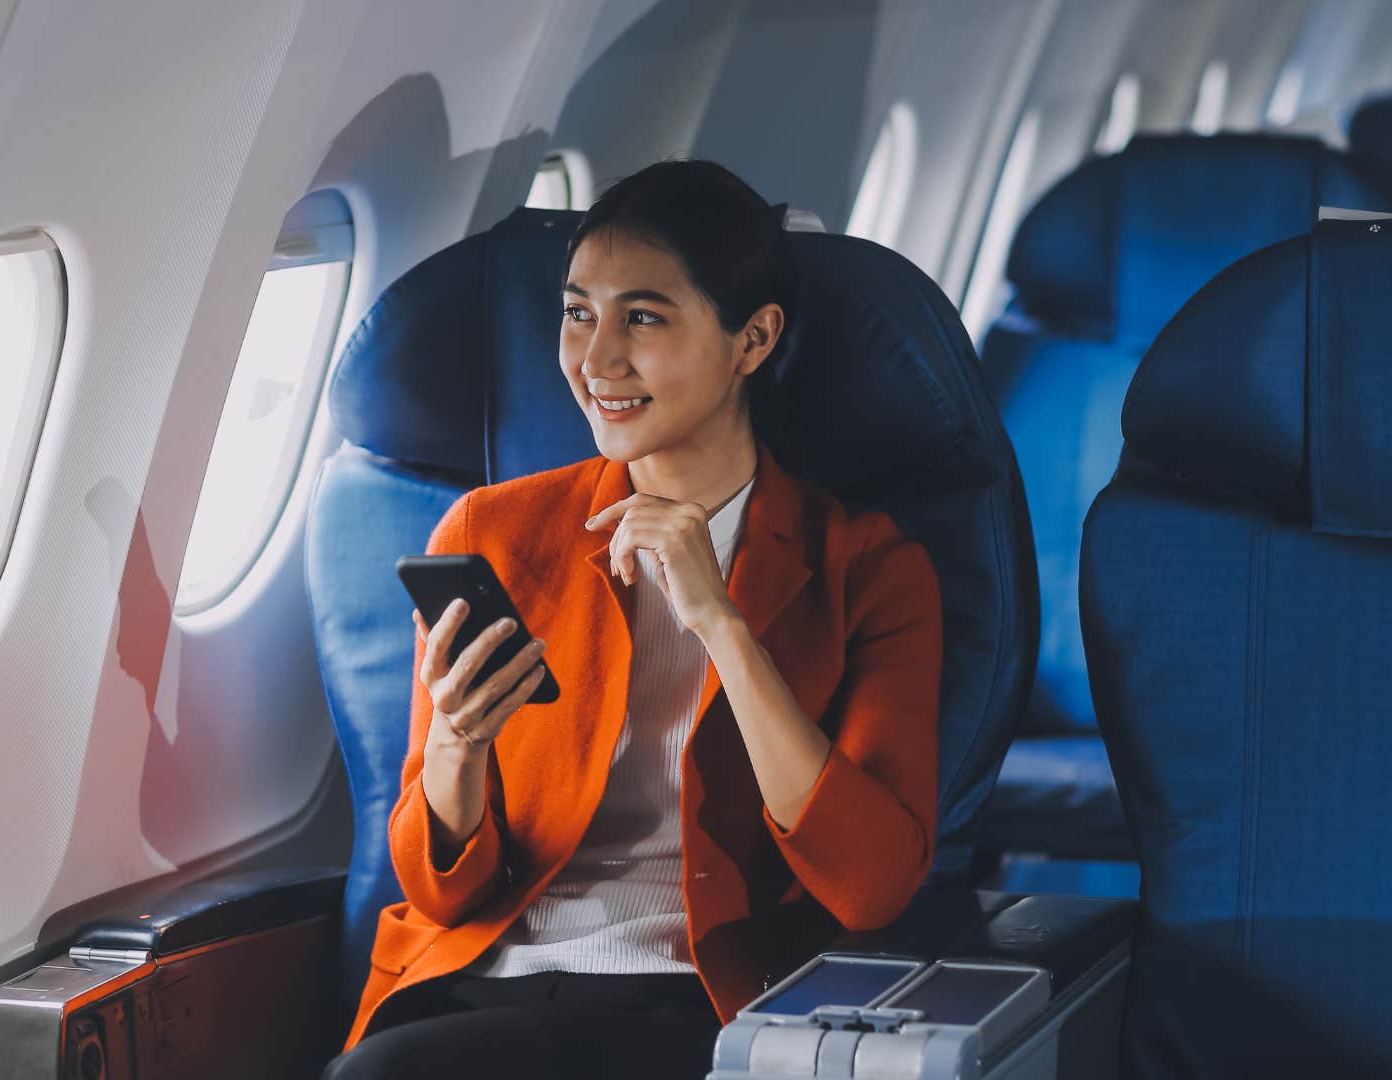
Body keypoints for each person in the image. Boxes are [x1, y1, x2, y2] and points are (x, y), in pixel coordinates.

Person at [324, 159, 942, 1080]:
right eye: (579, 313)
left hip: (701, 1001)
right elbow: (436, 891)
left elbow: (871, 887)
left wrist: (722, 624)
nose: (597, 359)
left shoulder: (869, 567)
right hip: (487, 982)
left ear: (753, 339)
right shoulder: (491, 532)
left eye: (643, 317)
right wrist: (456, 746)